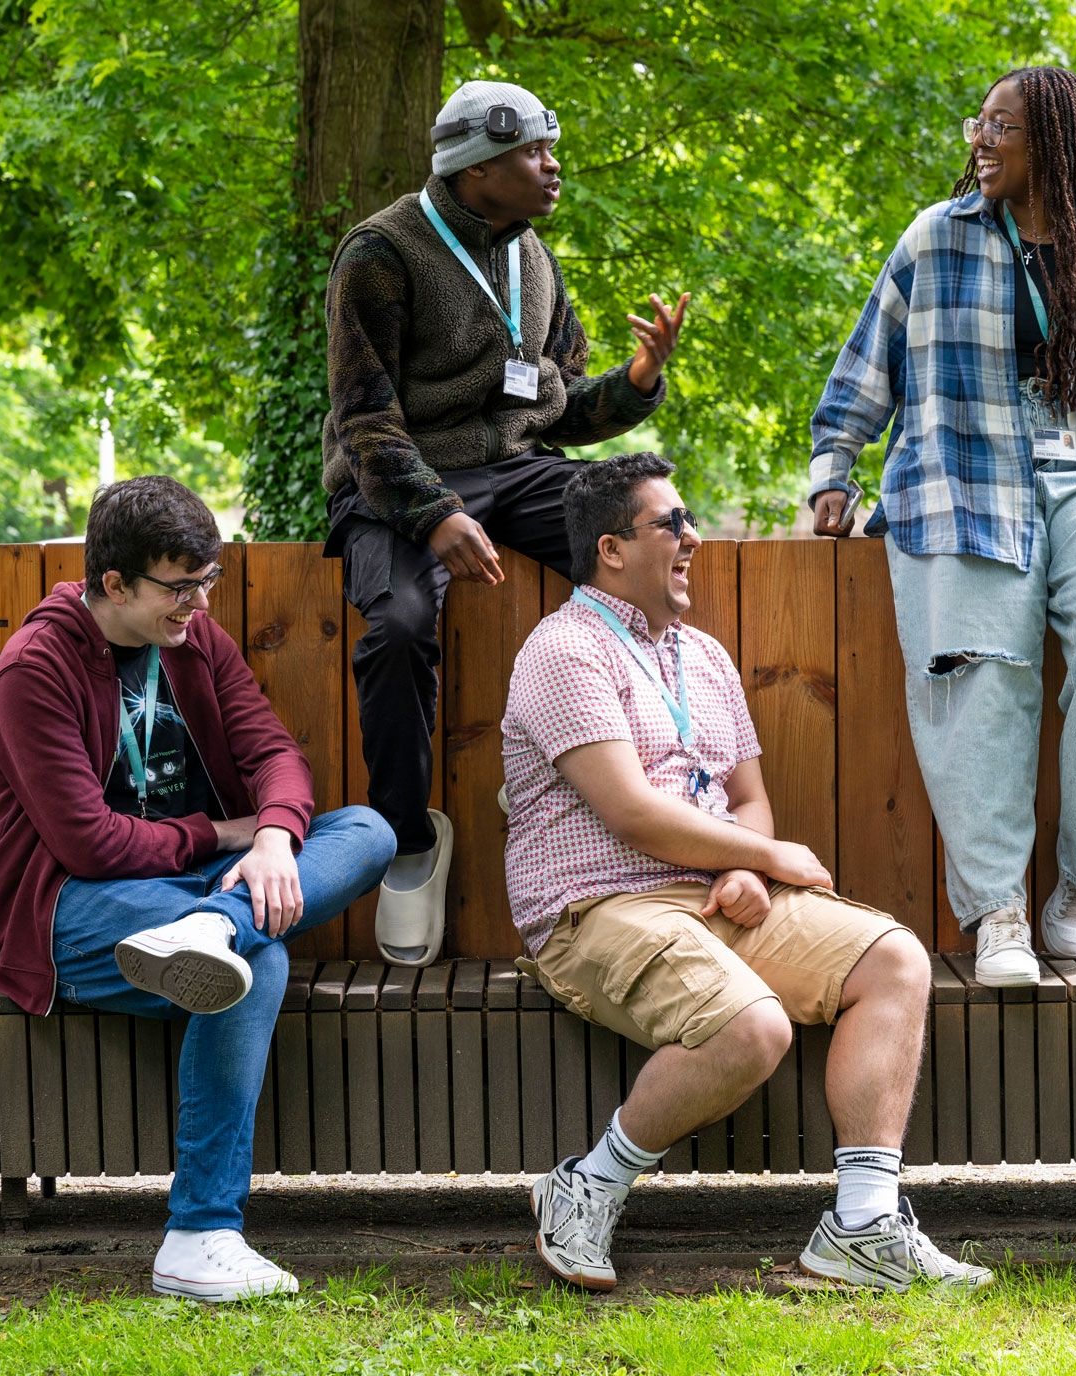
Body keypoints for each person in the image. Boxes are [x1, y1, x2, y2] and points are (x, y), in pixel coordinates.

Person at [501, 452, 992, 1294]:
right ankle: (587, 1186)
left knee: (895, 960)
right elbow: (631, 812)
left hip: (716, 897)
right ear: (612, 549)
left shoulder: (705, 657)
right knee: (749, 1028)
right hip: (596, 906)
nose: (692, 538)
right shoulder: (566, 650)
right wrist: (763, 855)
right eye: (672, 524)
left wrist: (750, 871)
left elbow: (747, 796)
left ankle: (863, 1227)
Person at [806, 66, 1076, 988]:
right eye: (982, 122)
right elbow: (866, 366)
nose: (981, 138)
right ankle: (998, 910)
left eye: (1001, 126)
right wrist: (831, 475)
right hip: (961, 482)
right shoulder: (936, 239)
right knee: (979, 674)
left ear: (1052, 142)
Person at [0, 476, 396, 1302]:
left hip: (200, 890)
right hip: (68, 904)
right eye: (180, 586)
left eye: (208, 581)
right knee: (255, 965)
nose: (198, 603)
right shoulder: (36, 667)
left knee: (370, 832)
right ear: (114, 584)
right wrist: (222, 835)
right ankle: (201, 1231)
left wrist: (273, 834)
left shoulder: (195, 638)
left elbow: (277, 755)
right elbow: (87, 843)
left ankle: (216, 927)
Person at [322, 78, 690, 966]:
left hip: (517, 473)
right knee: (403, 625)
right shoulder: (379, 252)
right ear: (477, 167)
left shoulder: (538, 263)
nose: (553, 167)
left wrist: (639, 381)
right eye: (534, 152)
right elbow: (365, 421)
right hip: (394, 479)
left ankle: (620, 789)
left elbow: (555, 414)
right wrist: (433, 510)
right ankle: (409, 838)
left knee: (649, 541)